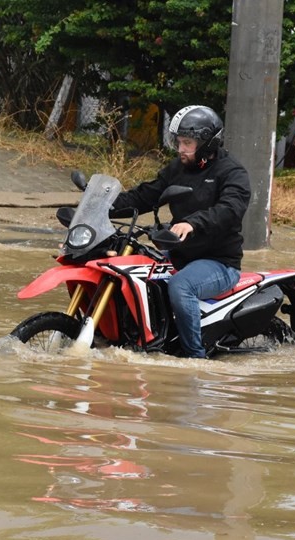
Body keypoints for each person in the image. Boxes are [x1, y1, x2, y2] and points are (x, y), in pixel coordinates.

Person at [110, 105, 251, 358]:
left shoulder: (232, 172)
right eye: (179, 142)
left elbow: (230, 209)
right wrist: (102, 206)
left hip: (219, 263)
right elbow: (145, 196)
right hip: (178, 255)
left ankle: (194, 358)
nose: (181, 148)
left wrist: (193, 223)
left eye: (187, 142)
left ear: (207, 143)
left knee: (181, 286)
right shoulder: (178, 169)